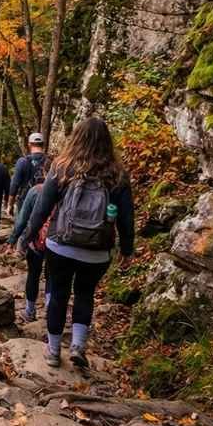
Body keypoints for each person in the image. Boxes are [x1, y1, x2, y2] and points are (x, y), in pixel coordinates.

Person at [23, 117, 134, 369]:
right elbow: (127, 216)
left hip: (60, 244)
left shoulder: (62, 167)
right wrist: (127, 249)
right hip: (97, 249)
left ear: (76, 138)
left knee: (59, 294)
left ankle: (53, 351)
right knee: (85, 294)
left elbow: (43, 207)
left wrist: (27, 236)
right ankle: (78, 346)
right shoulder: (117, 174)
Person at [10, 183, 49, 322]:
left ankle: (30, 310)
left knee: (33, 274)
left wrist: (13, 239)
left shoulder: (37, 190)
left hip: (36, 240)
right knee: (53, 278)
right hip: (60, 242)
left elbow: (22, 218)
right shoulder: (70, 189)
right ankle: (51, 312)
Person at [8, 132, 49, 216]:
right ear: (43, 144)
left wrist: (10, 205)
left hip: (25, 201)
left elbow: (14, 185)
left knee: (21, 227)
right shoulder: (51, 162)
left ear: (29, 144)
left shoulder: (23, 161)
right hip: (45, 202)